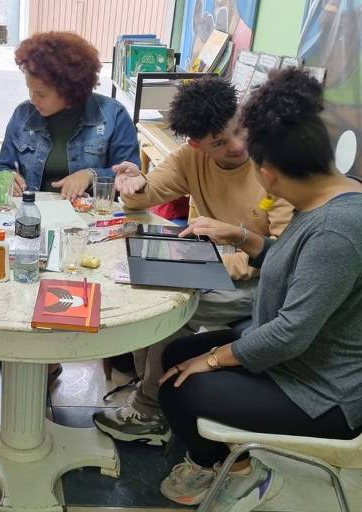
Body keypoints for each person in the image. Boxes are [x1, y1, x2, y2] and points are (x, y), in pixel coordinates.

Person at [156, 68, 362, 510]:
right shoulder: (328, 201)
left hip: (320, 392)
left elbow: (291, 333)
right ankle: (216, 460)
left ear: (267, 173)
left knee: (179, 385)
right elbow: (293, 267)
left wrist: (211, 360)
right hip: (291, 361)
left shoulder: (336, 230)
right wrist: (241, 237)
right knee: (174, 357)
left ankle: (245, 474)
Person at [93, 77, 293, 445]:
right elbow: (147, 195)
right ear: (197, 144)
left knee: (165, 317)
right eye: (220, 142)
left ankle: (150, 411)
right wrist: (134, 182)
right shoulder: (190, 158)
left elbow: (285, 254)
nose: (237, 145)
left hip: (261, 282)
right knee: (142, 295)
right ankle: (152, 393)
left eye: (239, 129)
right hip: (211, 264)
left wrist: (222, 262)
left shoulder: (274, 164)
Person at [0, 31, 140, 199]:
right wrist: (6, 178)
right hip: (32, 215)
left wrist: (90, 175)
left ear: (69, 91)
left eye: (41, 94)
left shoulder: (113, 116)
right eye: (30, 90)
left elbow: (130, 173)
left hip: (90, 217)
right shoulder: (23, 114)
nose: (32, 100)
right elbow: (3, 166)